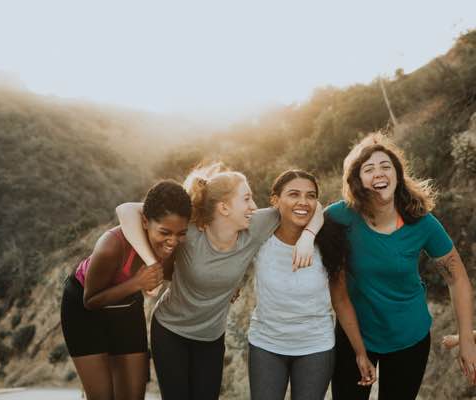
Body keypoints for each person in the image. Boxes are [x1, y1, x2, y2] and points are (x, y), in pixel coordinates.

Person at [116, 162, 321, 400]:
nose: (254, 206)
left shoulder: (255, 226)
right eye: (246, 199)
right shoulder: (190, 230)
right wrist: (151, 262)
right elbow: (126, 210)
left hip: (211, 338)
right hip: (170, 331)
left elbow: (311, 207)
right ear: (224, 207)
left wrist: (308, 237)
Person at [328, 133, 476, 400]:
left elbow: (458, 279)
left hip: (409, 337)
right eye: (369, 169)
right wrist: (305, 239)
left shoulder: (422, 222)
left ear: (397, 175)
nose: (379, 173)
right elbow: (304, 215)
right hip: (355, 335)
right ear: (358, 180)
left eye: (386, 166)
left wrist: (466, 339)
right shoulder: (341, 215)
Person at [247, 170, 376, 400]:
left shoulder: (329, 243)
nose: (303, 202)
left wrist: (360, 352)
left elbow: (341, 300)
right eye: (293, 194)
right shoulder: (260, 236)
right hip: (266, 344)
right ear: (275, 200)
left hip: (315, 347)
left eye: (310, 195)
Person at [60, 180, 191, 400]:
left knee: (133, 396)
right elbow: (90, 300)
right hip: (84, 311)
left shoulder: (171, 247)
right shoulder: (112, 245)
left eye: (181, 234)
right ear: (146, 222)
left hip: (126, 308)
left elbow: (182, 275)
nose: (172, 241)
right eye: (165, 232)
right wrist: (136, 284)